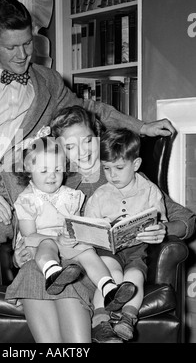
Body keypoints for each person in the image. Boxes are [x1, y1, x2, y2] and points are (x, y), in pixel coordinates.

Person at [0, 0, 179, 344]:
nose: (22, 55)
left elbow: (90, 112)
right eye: (11, 47)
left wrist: (142, 126)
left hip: (3, 197)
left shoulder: (46, 82)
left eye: (28, 43)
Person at [10, 105, 196, 343]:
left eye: (88, 140)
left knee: (69, 277)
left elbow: (187, 219)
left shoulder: (121, 173)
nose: (82, 152)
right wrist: (20, 253)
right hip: (51, 262)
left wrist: (163, 229)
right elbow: (26, 230)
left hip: (95, 268)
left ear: (98, 136)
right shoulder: (53, 180)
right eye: (69, 146)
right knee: (32, 272)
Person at [11, 130, 136, 311]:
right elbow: (29, 236)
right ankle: (53, 273)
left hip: (66, 244)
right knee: (47, 243)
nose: (52, 176)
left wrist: (78, 237)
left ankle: (108, 287)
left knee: (87, 252)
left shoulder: (70, 197)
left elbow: (75, 225)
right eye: (44, 170)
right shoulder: (27, 200)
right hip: (40, 245)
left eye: (57, 170)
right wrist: (57, 240)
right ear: (29, 172)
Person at [84, 128, 168, 342]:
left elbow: (162, 222)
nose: (112, 175)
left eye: (119, 168)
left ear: (136, 164)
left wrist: (158, 229)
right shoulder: (100, 194)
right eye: (107, 168)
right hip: (107, 250)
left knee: (134, 278)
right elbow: (89, 227)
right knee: (113, 277)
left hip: (136, 249)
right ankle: (101, 322)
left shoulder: (150, 191)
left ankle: (127, 319)